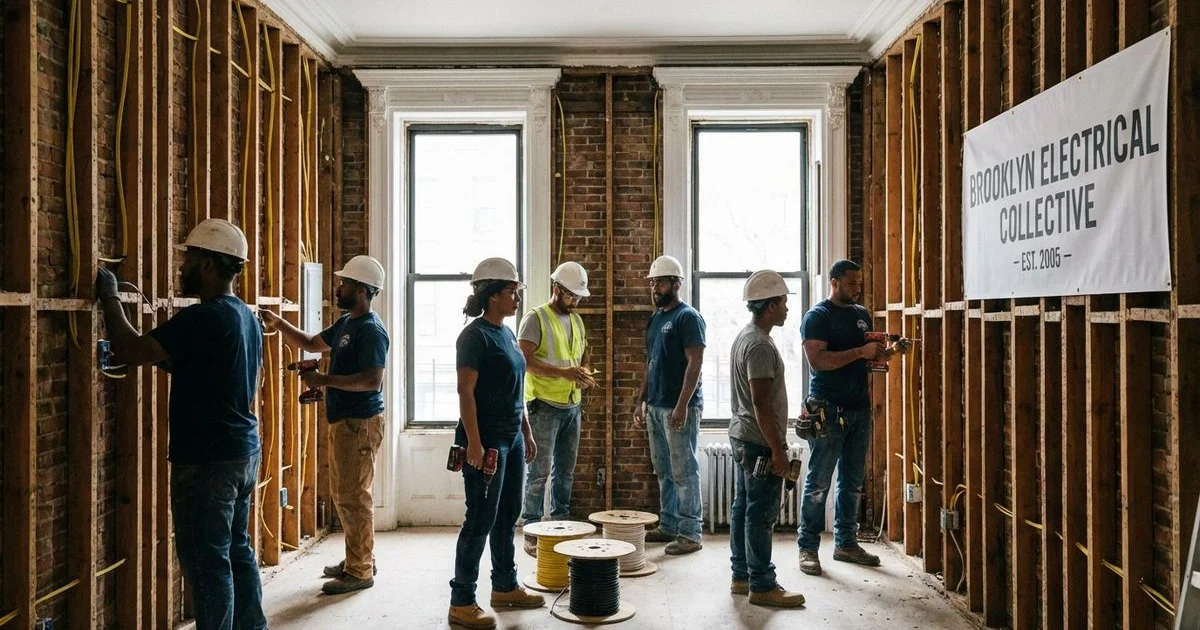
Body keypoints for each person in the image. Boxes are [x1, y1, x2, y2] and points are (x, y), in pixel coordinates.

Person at [94, 218, 268, 630]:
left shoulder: (204, 318)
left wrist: (111, 299)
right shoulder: (244, 316)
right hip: (242, 452)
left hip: (207, 461)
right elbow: (214, 368)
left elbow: (130, 349)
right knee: (237, 551)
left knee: (207, 563)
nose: (182, 268)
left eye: (189, 259)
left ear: (209, 265)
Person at [261, 255, 389, 595]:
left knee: (353, 498)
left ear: (362, 290)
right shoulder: (347, 324)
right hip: (346, 422)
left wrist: (324, 380)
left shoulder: (371, 330)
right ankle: (358, 559)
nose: (340, 287)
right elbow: (311, 343)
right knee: (346, 495)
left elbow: (372, 381)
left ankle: (360, 571)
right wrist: (279, 324)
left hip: (360, 424)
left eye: (345, 283)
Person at [448, 257, 545, 630]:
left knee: (507, 517)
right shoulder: (474, 337)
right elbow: (465, 392)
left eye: (517, 291)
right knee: (480, 519)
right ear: (491, 296)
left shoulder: (505, 332)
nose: (517, 297)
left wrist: (526, 430)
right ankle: (462, 600)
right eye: (511, 291)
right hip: (485, 441)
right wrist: (473, 442)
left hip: (511, 437)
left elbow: (515, 390)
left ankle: (504, 585)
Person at [796, 259, 886, 576]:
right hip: (828, 408)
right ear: (834, 283)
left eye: (859, 283)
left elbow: (865, 359)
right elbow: (818, 361)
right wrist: (861, 353)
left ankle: (846, 543)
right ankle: (807, 548)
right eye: (851, 283)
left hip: (859, 408)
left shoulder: (861, 315)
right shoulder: (817, 317)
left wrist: (881, 355)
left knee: (852, 482)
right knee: (818, 483)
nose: (857, 288)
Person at [728, 271, 806, 608]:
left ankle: (741, 575)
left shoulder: (747, 336)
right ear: (771, 305)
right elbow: (760, 403)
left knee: (744, 508)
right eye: (784, 303)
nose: (788, 309)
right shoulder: (759, 344)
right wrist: (778, 449)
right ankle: (762, 584)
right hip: (759, 441)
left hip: (744, 437)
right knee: (761, 514)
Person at [518, 261, 597, 557]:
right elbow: (522, 360)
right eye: (571, 296)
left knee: (565, 471)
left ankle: (561, 522)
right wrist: (565, 374)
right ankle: (532, 528)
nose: (575, 301)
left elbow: (581, 355)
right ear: (557, 290)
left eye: (578, 297)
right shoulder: (535, 318)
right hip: (543, 406)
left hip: (571, 406)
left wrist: (583, 373)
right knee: (538, 472)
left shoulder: (576, 321)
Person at [632, 254, 706, 555]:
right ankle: (669, 525)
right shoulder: (657, 319)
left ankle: (690, 533)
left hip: (679, 408)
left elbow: (695, 362)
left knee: (684, 471)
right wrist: (641, 402)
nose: (654, 288)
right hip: (656, 407)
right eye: (652, 283)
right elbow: (651, 364)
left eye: (660, 282)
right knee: (663, 469)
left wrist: (682, 405)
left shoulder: (688, 318)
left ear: (676, 284)